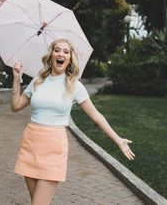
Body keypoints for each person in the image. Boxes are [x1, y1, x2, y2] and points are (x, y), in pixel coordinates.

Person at [11, 38, 135, 205]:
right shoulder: (37, 81)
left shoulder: (74, 86)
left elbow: (97, 116)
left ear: (69, 58)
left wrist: (118, 139)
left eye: (66, 51)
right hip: (32, 142)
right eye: (57, 50)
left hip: (54, 146)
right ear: (51, 55)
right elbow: (16, 106)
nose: (61, 54)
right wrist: (16, 79)